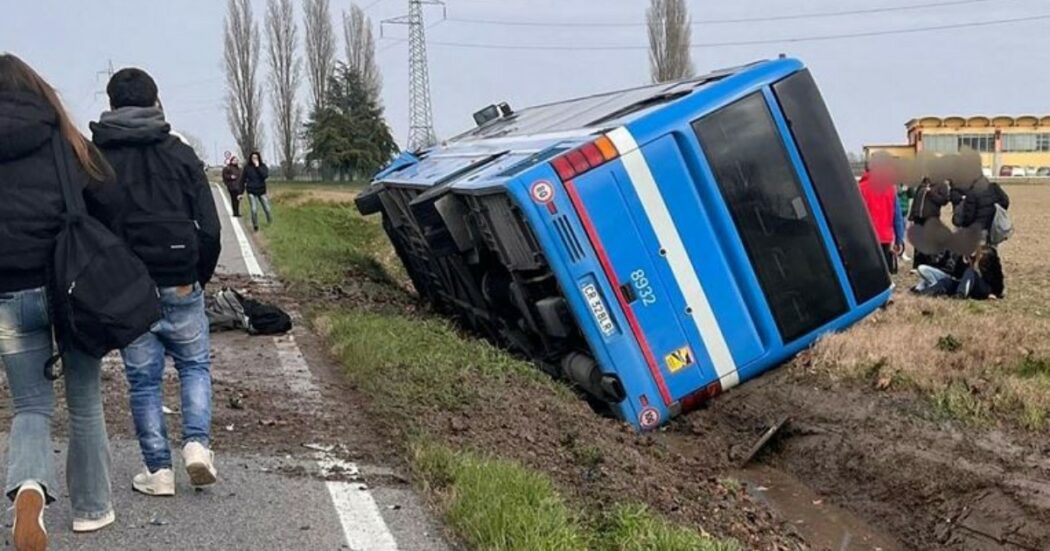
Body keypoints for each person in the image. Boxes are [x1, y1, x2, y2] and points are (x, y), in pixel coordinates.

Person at [0, 53, 116, 548]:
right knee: (86, 402)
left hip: (8, 291)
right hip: (73, 289)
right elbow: (110, 202)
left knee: (30, 405)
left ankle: (29, 490)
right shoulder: (67, 141)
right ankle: (92, 508)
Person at [90, 67, 222, 496]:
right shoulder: (181, 154)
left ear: (110, 105)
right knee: (194, 365)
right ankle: (197, 445)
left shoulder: (96, 158)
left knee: (144, 381)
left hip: (131, 290)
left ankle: (159, 472)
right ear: (155, 101)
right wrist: (196, 276)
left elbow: (87, 229)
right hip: (182, 280)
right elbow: (211, 229)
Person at [911, 245, 1004, 300]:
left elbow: (997, 283)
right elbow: (959, 275)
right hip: (965, 284)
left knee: (970, 272)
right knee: (946, 281)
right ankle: (924, 292)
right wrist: (965, 261)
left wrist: (993, 294)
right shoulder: (967, 260)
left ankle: (960, 295)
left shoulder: (988, 264)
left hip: (979, 289)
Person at [859, 167, 906, 274]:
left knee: (868, 271)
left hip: (866, 237)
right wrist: (899, 240)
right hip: (885, 237)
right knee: (884, 271)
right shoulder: (890, 189)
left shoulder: (860, 188)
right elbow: (897, 217)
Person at [907, 177, 951, 269]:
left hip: (931, 217)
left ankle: (929, 265)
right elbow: (916, 200)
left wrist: (931, 193)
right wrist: (911, 216)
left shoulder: (941, 185)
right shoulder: (922, 183)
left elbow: (944, 201)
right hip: (918, 217)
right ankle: (917, 265)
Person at [241, 151, 272, 232]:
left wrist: (258, 167)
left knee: (267, 209)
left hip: (261, 190)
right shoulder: (247, 167)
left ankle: (270, 222)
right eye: (253, 158)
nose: (254, 159)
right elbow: (242, 180)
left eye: (256, 158)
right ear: (250, 159)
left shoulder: (263, 166)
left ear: (259, 158)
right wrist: (240, 192)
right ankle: (255, 225)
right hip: (251, 190)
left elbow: (265, 176)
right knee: (254, 210)